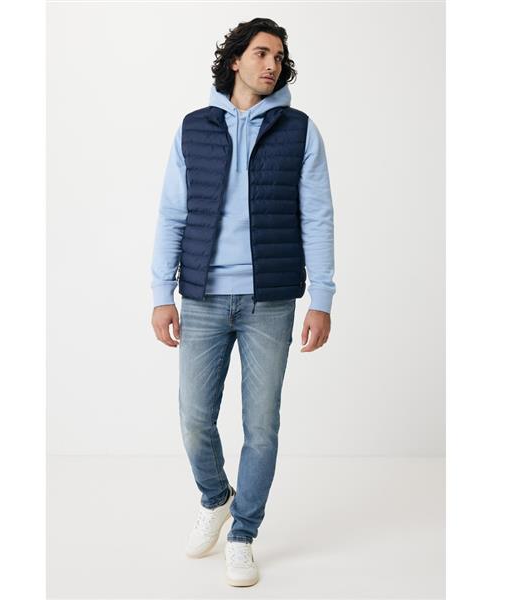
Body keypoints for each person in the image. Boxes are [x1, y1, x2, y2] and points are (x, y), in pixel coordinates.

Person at [150, 17, 336, 587]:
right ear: (235, 60)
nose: (271, 64)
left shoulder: (299, 130)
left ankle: (243, 534)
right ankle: (217, 497)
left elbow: (318, 216)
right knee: (193, 418)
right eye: (261, 53)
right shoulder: (194, 128)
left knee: (261, 427)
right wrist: (161, 293)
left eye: (279, 56)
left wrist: (322, 297)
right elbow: (172, 213)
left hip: (270, 301)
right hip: (203, 296)